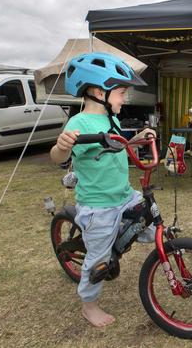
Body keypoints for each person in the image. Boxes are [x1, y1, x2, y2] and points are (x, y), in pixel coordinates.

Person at [49, 52, 156, 328]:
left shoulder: (112, 119)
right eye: (121, 93)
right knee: (98, 262)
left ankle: (121, 242)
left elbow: (116, 146)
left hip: (123, 194)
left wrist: (135, 140)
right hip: (99, 205)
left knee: (149, 217)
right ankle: (89, 305)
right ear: (99, 91)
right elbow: (57, 157)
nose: (124, 99)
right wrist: (62, 146)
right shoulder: (79, 123)